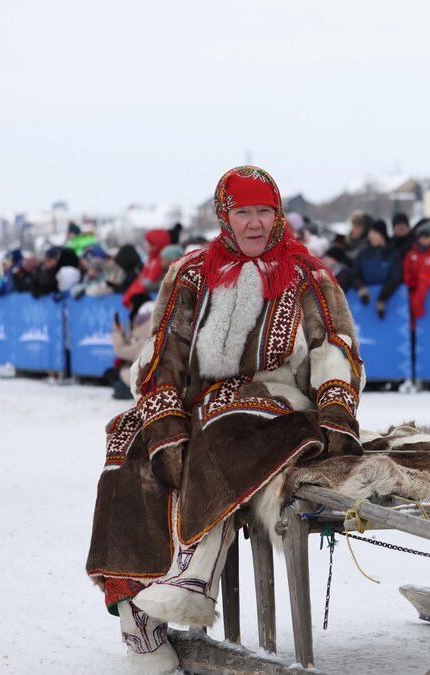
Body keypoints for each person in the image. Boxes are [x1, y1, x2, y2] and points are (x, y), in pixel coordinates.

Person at [86, 166, 363, 672]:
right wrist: (165, 427)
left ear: (277, 215)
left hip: (278, 407)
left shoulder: (306, 273)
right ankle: (136, 615)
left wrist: (336, 410)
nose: (255, 223)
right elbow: (164, 351)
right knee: (129, 443)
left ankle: (196, 574)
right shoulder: (191, 272)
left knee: (226, 420)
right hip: (197, 402)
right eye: (243, 212)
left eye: (264, 211)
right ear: (225, 216)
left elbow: (335, 346)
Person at [352, 218, 404, 319]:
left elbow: (395, 277)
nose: (371, 236)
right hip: (364, 302)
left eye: (375, 233)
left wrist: (382, 298)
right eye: (370, 233)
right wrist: (360, 288)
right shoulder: (363, 253)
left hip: (388, 301)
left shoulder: (393, 254)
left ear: (382, 235)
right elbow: (355, 273)